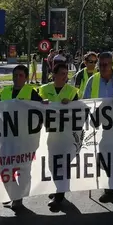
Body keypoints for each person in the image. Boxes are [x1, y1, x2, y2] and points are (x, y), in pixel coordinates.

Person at [82, 52, 113, 202]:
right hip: (100, 125)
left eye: (106, 64)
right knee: (103, 158)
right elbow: (85, 102)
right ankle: (110, 188)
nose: (103, 67)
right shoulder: (92, 80)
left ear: (111, 64)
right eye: (100, 65)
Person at [0, 64, 44, 211]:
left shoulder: (32, 93)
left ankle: (19, 199)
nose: (17, 78)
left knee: (23, 170)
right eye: (15, 75)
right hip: (8, 138)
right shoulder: (5, 92)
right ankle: (13, 194)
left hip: (26, 140)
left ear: (25, 78)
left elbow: (43, 110)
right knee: (4, 166)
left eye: (21, 76)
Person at [38, 63, 78, 209]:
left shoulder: (72, 91)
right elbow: (33, 107)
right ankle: (57, 188)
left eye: (66, 73)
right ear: (53, 75)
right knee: (52, 164)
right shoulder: (43, 89)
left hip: (67, 135)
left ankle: (60, 195)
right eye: (61, 73)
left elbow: (80, 111)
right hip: (51, 135)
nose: (64, 76)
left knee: (64, 164)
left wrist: (72, 104)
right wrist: (41, 103)